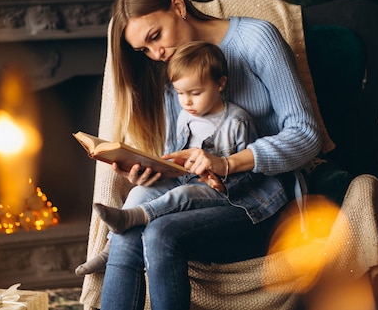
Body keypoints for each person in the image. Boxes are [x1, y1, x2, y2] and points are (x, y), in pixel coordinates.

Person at [97, 0, 322, 310]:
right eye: (143, 50)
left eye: (155, 36)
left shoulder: (258, 40)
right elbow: (186, 157)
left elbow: (307, 135)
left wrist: (229, 163)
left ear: (178, 7)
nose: (156, 54)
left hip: (263, 197)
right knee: (133, 218)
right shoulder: (172, 70)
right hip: (203, 195)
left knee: (159, 233)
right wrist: (155, 172)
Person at [75, 41, 258, 276]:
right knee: (138, 192)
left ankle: (137, 216)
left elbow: (250, 173)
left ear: (220, 84)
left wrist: (219, 177)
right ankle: (110, 249)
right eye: (180, 93)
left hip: (221, 191)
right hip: (183, 179)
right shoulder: (185, 116)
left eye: (195, 93)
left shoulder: (237, 122)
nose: (187, 102)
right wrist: (156, 166)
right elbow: (175, 152)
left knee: (182, 194)